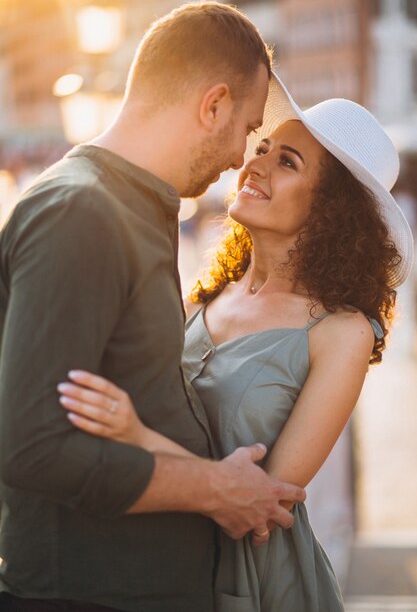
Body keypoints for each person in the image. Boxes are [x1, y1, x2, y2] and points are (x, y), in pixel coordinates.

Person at [58, 72, 414, 612]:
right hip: (155, 566)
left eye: (286, 162)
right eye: (263, 148)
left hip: (253, 584)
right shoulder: (200, 299)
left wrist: (136, 435)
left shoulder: (343, 332)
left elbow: (264, 504)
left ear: (330, 211)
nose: (255, 164)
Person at [0, 4, 306, 612]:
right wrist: (213, 489)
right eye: (247, 129)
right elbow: (31, 446)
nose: (240, 158)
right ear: (212, 105)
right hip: (87, 596)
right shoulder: (82, 211)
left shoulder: (134, 207)